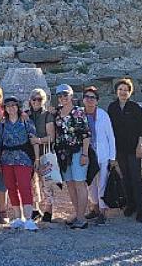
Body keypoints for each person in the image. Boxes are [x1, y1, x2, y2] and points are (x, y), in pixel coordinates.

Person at [107, 78, 142, 223]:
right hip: (119, 149)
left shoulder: (134, 107)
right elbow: (110, 130)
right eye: (120, 89)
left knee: (136, 178)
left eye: (126, 90)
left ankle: (141, 209)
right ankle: (131, 204)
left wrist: (140, 145)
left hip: (133, 148)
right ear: (116, 91)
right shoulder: (112, 107)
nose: (123, 92)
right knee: (125, 177)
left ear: (130, 92)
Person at [0, 96, 40, 231]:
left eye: (13, 105)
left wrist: (37, 159)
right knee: (11, 187)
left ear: (18, 107)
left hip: (23, 158)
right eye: (8, 106)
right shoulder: (2, 123)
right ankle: (17, 217)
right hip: (6, 159)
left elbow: (34, 140)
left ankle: (29, 218)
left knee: (24, 187)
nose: (11, 108)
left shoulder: (26, 121)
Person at [52, 84, 91, 229]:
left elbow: (86, 134)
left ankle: (82, 217)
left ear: (71, 96)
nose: (63, 98)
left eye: (65, 95)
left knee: (80, 183)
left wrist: (85, 153)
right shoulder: (57, 112)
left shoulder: (78, 112)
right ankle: (77, 213)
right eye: (60, 96)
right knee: (70, 184)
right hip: (63, 153)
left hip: (77, 150)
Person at [81, 86, 117, 225]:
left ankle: (103, 211)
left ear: (97, 101)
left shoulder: (103, 115)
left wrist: (112, 157)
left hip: (103, 154)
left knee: (102, 183)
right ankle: (94, 208)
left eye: (93, 98)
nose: (90, 100)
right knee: (90, 183)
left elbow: (111, 136)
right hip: (87, 154)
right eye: (87, 97)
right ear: (83, 99)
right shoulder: (79, 114)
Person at [26, 88, 55, 223]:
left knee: (47, 184)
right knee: (32, 183)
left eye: (40, 99)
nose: (36, 101)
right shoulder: (26, 115)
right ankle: (35, 208)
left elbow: (51, 137)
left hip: (44, 153)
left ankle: (48, 210)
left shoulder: (47, 115)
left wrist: (37, 140)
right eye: (34, 99)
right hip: (29, 153)